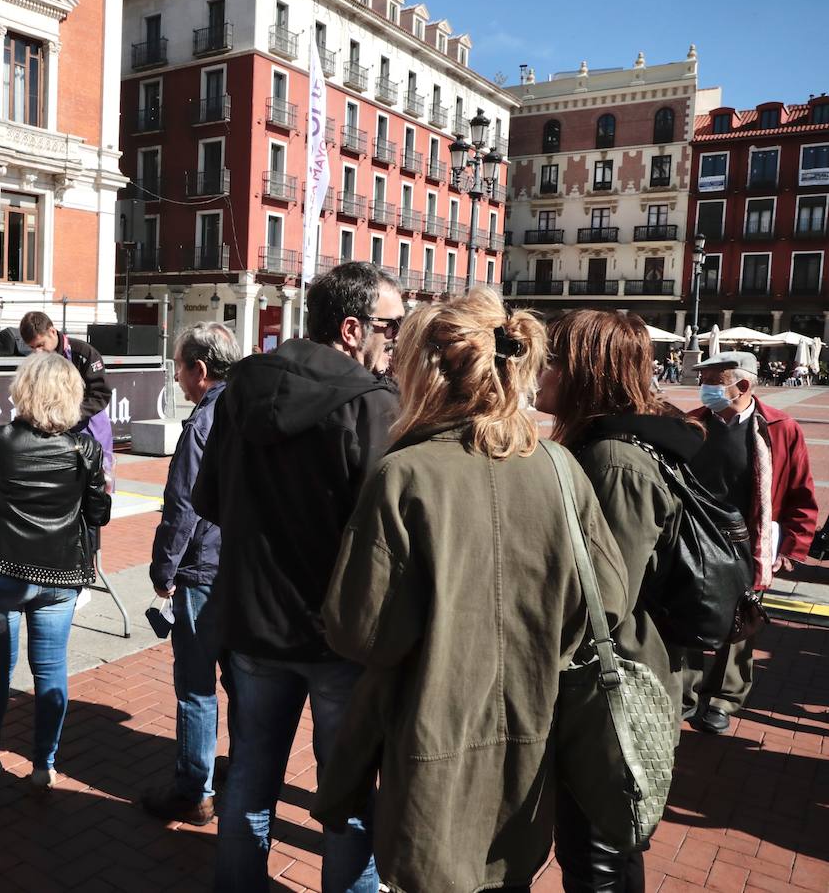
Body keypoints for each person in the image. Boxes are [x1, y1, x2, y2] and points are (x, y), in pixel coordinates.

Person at [315, 287, 629, 893]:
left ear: (427, 370)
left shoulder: (404, 476)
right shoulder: (562, 469)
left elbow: (362, 631)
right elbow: (607, 602)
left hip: (432, 743)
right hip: (532, 744)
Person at [192, 262, 403, 893]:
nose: (395, 340)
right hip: (336, 634)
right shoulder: (372, 405)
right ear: (351, 328)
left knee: (251, 779)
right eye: (390, 328)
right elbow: (388, 534)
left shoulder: (239, 390)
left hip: (255, 623)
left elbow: (210, 501)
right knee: (345, 793)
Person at [537, 310, 701, 892]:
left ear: (585, 371)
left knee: (600, 850)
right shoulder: (612, 442)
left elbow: (604, 599)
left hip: (617, 680)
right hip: (617, 669)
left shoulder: (615, 459)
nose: (540, 370)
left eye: (552, 359)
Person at [0, 352, 112, 792]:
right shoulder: (86, 449)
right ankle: (44, 765)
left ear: (24, 391)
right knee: (50, 672)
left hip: (3, 570)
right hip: (59, 575)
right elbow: (99, 511)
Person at [683, 351, 817, 733]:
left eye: (712, 380)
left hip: (749, 540)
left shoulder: (779, 427)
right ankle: (686, 692)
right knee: (687, 609)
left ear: (742, 386)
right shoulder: (694, 424)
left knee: (741, 619)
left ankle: (723, 697)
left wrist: (791, 546)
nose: (704, 389)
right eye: (703, 380)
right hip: (699, 536)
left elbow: (800, 492)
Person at [141, 322, 242, 827]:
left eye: (179, 368)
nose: (177, 379)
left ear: (200, 370)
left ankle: (194, 788)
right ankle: (243, 773)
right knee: (242, 680)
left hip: (204, 569)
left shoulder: (203, 422)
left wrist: (164, 569)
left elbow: (181, 505)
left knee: (197, 685)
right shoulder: (252, 409)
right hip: (246, 567)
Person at [19, 311, 114, 485]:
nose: (38, 352)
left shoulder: (84, 353)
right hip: (54, 432)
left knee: (96, 486)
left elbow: (101, 394)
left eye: (41, 344)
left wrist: (69, 414)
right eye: (32, 348)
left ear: (52, 332)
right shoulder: (36, 362)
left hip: (88, 427)